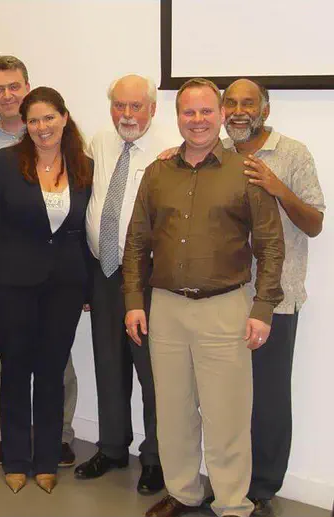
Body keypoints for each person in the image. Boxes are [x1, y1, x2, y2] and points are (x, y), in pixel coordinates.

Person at [124, 77, 285, 517]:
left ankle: (233, 503)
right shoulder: (158, 172)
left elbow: (271, 245)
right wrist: (134, 301)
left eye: (205, 112)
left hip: (225, 308)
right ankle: (183, 492)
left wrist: (263, 307)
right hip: (167, 309)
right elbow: (137, 242)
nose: (197, 120)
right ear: (177, 117)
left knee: (227, 414)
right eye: (188, 112)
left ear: (219, 116)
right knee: (173, 410)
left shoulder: (246, 171)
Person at [0, 55, 78, 467]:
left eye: (14, 86)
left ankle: (56, 438)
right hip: (8, 278)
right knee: (2, 360)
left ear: (27, 87)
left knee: (56, 367)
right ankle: (12, 439)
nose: (6, 95)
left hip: (55, 282)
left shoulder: (74, 153)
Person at [0, 86, 93, 494]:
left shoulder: (84, 166)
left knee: (50, 373)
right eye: (33, 120)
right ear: (25, 125)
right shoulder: (4, 162)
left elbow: (87, 233)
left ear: (64, 117)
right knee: (13, 371)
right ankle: (16, 459)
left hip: (65, 286)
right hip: (12, 285)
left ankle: (46, 459)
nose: (42, 127)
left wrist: (90, 288)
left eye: (49, 118)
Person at [221, 79, 325, 517]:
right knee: (227, 397)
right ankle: (230, 484)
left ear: (266, 108)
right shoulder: (216, 153)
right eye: (231, 102)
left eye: (249, 103)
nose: (239, 111)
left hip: (275, 299)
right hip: (222, 297)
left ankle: (262, 488)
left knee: (267, 398)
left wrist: (278, 187)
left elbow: (315, 223)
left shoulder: (293, 152)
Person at [76, 74, 166, 494]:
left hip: (149, 280)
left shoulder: (170, 150)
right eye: (119, 106)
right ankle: (112, 447)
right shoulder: (99, 142)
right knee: (108, 365)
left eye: (135, 106)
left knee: (153, 374)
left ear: (152, 108)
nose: (126, 115)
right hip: (104, 272)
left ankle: (155, 459)